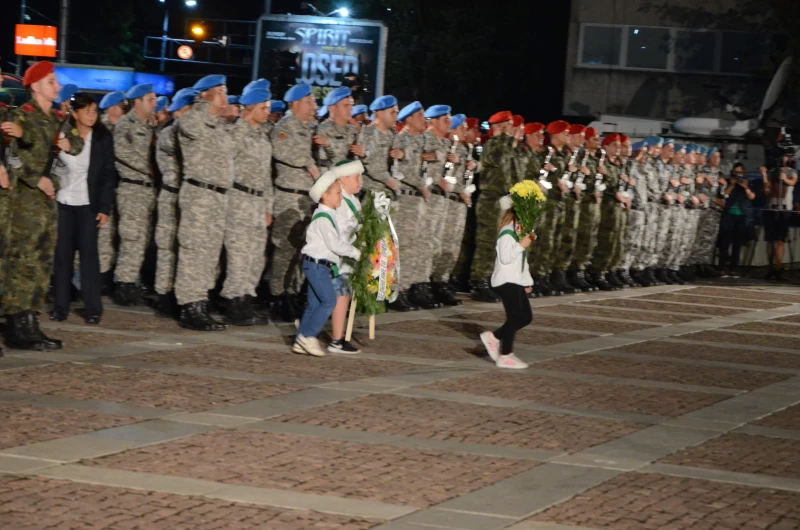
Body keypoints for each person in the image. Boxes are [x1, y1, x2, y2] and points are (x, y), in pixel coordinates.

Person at [0, 61, 84, 350]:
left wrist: (66, 147)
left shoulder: (58, 118)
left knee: (42, 261)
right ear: (35, 86)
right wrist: (37, 179)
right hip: (25, 201)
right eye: (51, 82)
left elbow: (77, 143)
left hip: (47, 202)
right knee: (22, 262)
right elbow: (11, 157)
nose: (57, 86)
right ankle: (16, 324)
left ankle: (32, 322)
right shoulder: (22, 117)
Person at [174, 74, 234, 331]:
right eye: (221, 92)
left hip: (218, 197)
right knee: (194, 251)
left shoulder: (218, 126)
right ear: (207, 94)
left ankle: (201, 303)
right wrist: (205, 103)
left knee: (209, 254)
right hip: (199, 194)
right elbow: (189, 125)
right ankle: (189, 306)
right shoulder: (194, 118)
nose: (227, 98)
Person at [50, 93, 115, 324]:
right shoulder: (62, 133)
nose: (91, 115)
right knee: (62, 256)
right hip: (63, 202)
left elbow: (108, 175)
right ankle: (60, 307)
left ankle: (92, 309)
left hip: (88, 205)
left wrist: (104, 208)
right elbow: (49, 165)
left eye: (94, 111)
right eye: (86, 111)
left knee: (89, 257)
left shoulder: (102, 138)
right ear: (75, 113)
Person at [293, 169, 361, 357]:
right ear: (325, 195)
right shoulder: (323, 218)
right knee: (329, 301)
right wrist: (356, 253)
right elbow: (335, 244)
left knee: (315, 304)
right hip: (316, 265)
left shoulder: (329, 215)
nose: (341, 197)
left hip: (320, 265)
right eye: (338, 193)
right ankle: (309, 336)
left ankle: (300, 339)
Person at [220, 88, 274, 325]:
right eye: (263, 108)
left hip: (258, 202)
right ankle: (233, 301)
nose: (267, 113)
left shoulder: (263, 137)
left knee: (255, 257)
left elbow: (266, 176)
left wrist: (268, 207)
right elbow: (225, 171)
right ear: (249, 108)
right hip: (239, 200)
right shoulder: (234, 135)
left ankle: (247, 300)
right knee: (238, 255)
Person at [270, 83, 320, 322]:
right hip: (288, 194)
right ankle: (277, 297)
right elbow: (281, 151)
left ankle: (292, 294)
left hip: (307, 197)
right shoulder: (284, 126)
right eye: (310, 101)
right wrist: (308, 162)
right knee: (285, 250)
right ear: (297, 103)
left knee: (302, 251)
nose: (314, 106)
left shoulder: (311, 128)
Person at [153, 88, 197, 318]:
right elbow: (171, 169)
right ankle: (164, 294)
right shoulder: (169, 134)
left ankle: (181, 294)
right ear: (180, 111)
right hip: (172, 194)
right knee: (168, 246)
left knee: (187, 248)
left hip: (189, 197)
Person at [113, 83, 157, 305]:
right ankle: (124, 284)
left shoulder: (151, 126)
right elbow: (121, 151)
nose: (155, 103)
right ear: (137, 101)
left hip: (148, 191)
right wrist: (150, 166)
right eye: (150, 99)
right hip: (132, 188)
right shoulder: (125, 124)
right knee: (131, 238)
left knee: (142, 240)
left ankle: (131, 282)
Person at [478, 195, 532, 370]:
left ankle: (493, 338)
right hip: (505, 280)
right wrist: (521, 245)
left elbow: (523, 261)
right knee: (515, 317)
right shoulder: (507, 232)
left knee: (525, 317)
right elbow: (506, 258)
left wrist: (526, 281)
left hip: (516, 280)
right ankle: (505, 355)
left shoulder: (519, 232)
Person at [470, 111, 516, 303]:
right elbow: (496, 159)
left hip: (502, 199)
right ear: (501, 126)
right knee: (487, 243)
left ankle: (489, 279)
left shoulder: (508, 145)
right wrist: (506, 137)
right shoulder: (492, 145)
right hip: (490, 200)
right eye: (509, 124)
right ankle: (478, 281)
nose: (513, 128)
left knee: (497, 243)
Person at [329, 159, 365, 353]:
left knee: (342, 296)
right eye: (356, 177)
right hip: (338, 257)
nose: (360, 181)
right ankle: (336, 339)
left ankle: (337, 336)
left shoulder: (352, 199)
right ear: (342, 178)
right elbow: (339, 230)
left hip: (349, 256)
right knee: (340, 296)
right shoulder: (339, 199)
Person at [762, 150, 798, 280]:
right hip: (771, 207)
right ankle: (770, 268)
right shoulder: (773, 172)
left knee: (780, 240)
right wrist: (764, 175)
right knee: (770, 240)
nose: (785, 158)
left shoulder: (791, 171)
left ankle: (778, 268)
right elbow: (767, 190)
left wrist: (785, 179)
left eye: (787, 156)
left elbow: (793, 182)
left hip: (784, 209)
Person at [718, 163, 755, 277]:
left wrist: (746, 187)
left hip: (741, 216)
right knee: (725, 242)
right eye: (735, 172)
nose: (737, 175)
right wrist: (731, 185)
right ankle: (722, 268)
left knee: (737, 243)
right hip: (729, 214)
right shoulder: (728, 182)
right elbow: (724, 196)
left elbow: (752, 197)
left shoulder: (747, 182)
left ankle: (734, 268)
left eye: (740, 172)